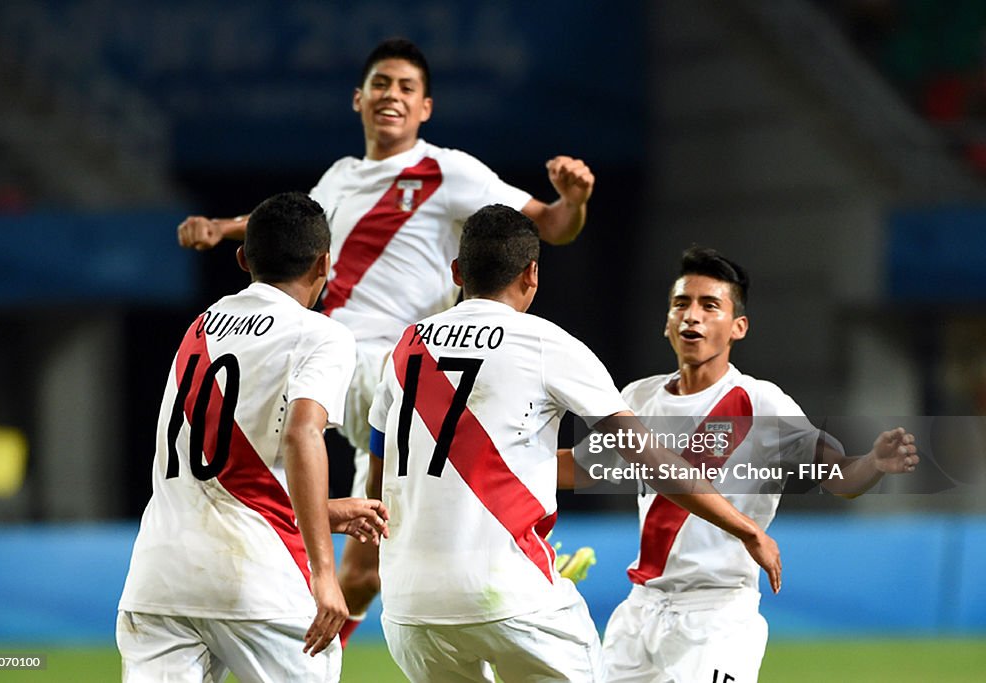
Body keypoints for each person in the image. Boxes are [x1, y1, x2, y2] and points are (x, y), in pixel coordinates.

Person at [176, 37, 597, 643]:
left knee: (365, 568)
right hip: (335, 366)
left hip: (399, 368)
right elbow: (290, 223)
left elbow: (552, 226)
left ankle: (503, 544)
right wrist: (223, 227)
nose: (391, 95)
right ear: (358, 98)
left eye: (405, 87)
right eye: (380, 84)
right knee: (376, 532)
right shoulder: (341, 177)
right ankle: (516, 545)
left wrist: (572, 201)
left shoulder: (449, 171)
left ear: (426, 107)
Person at [366, 206, 784, 683]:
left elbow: (382, 476)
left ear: (458, 272)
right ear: (532, 274)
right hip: (510, 596)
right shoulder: (546, 343)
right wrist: (747, 529)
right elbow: (648, 459)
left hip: (407, 607)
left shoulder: (406, 347)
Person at [579, 246, 920, 683]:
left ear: (738, 326)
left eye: (709, 305)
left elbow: (838, 477)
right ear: (666, 320)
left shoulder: (761, 403)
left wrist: (872, 462)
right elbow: (584, 468)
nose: (692, 316)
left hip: (716, 614)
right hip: (639, 612)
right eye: (680, 303)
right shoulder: (636, 398)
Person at [117, 192, 389, 682]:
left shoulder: (199, 329)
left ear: (243, 258)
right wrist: (325, 574)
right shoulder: (320, 334)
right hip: (258, 580)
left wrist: (325, 511)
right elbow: (303, 433)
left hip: (157, 583)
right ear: (324, 262)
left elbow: (219, 479)